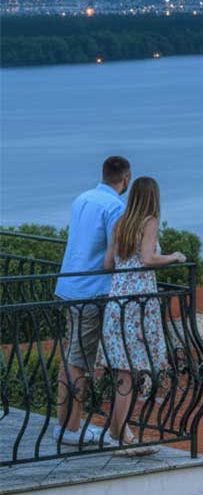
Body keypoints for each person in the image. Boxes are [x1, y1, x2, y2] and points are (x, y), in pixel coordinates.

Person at [101, 177, 186, 454]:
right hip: (139, 304)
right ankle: (121, 438)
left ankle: (118, 432)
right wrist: (173, 257)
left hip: (117, 303)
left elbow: (107, 264)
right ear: (153, 197)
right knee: (132, 372)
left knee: (123, 372)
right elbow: (149, 258)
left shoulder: (121, 223)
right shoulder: (148, 222)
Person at [54, 156, 131, 446]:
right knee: (79, 362)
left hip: (69, 285)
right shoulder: (116, 207)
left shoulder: (82, 199)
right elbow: (116, 252)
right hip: (91, 290)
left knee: (70, 358)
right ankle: (72, 431)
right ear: (126, 178)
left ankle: (63, 424)